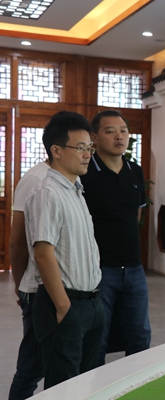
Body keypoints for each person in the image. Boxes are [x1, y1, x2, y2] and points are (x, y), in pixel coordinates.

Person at [24, 111, 104, 389]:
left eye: (89, 148)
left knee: (89, 382)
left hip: (91, 303)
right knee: (64, 387)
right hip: (65, 303)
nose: (87, 154)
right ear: (56, 151)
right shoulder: (48, 193)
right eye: (80, 148)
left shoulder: (75, 190)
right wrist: (63, 307)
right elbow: (43, 253)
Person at [80, 110, 150, 365]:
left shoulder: (135, 171)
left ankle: (137, 383)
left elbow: (136, 214)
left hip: (134, 268)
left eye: (123, 131)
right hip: (99, 269)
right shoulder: (86, 172)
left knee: (140, 336)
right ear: (94, 138)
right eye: (110, 131)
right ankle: (96, 385)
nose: (119, 136)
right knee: (98, 337)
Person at [8, 161, 49, 400]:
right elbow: (17, 242)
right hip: (36, 289)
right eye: (80, 147)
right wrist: (19, 285)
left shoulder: (73, 180)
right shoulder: (36, 179)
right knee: (31, 367)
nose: (86, 154)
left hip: (63, 288)